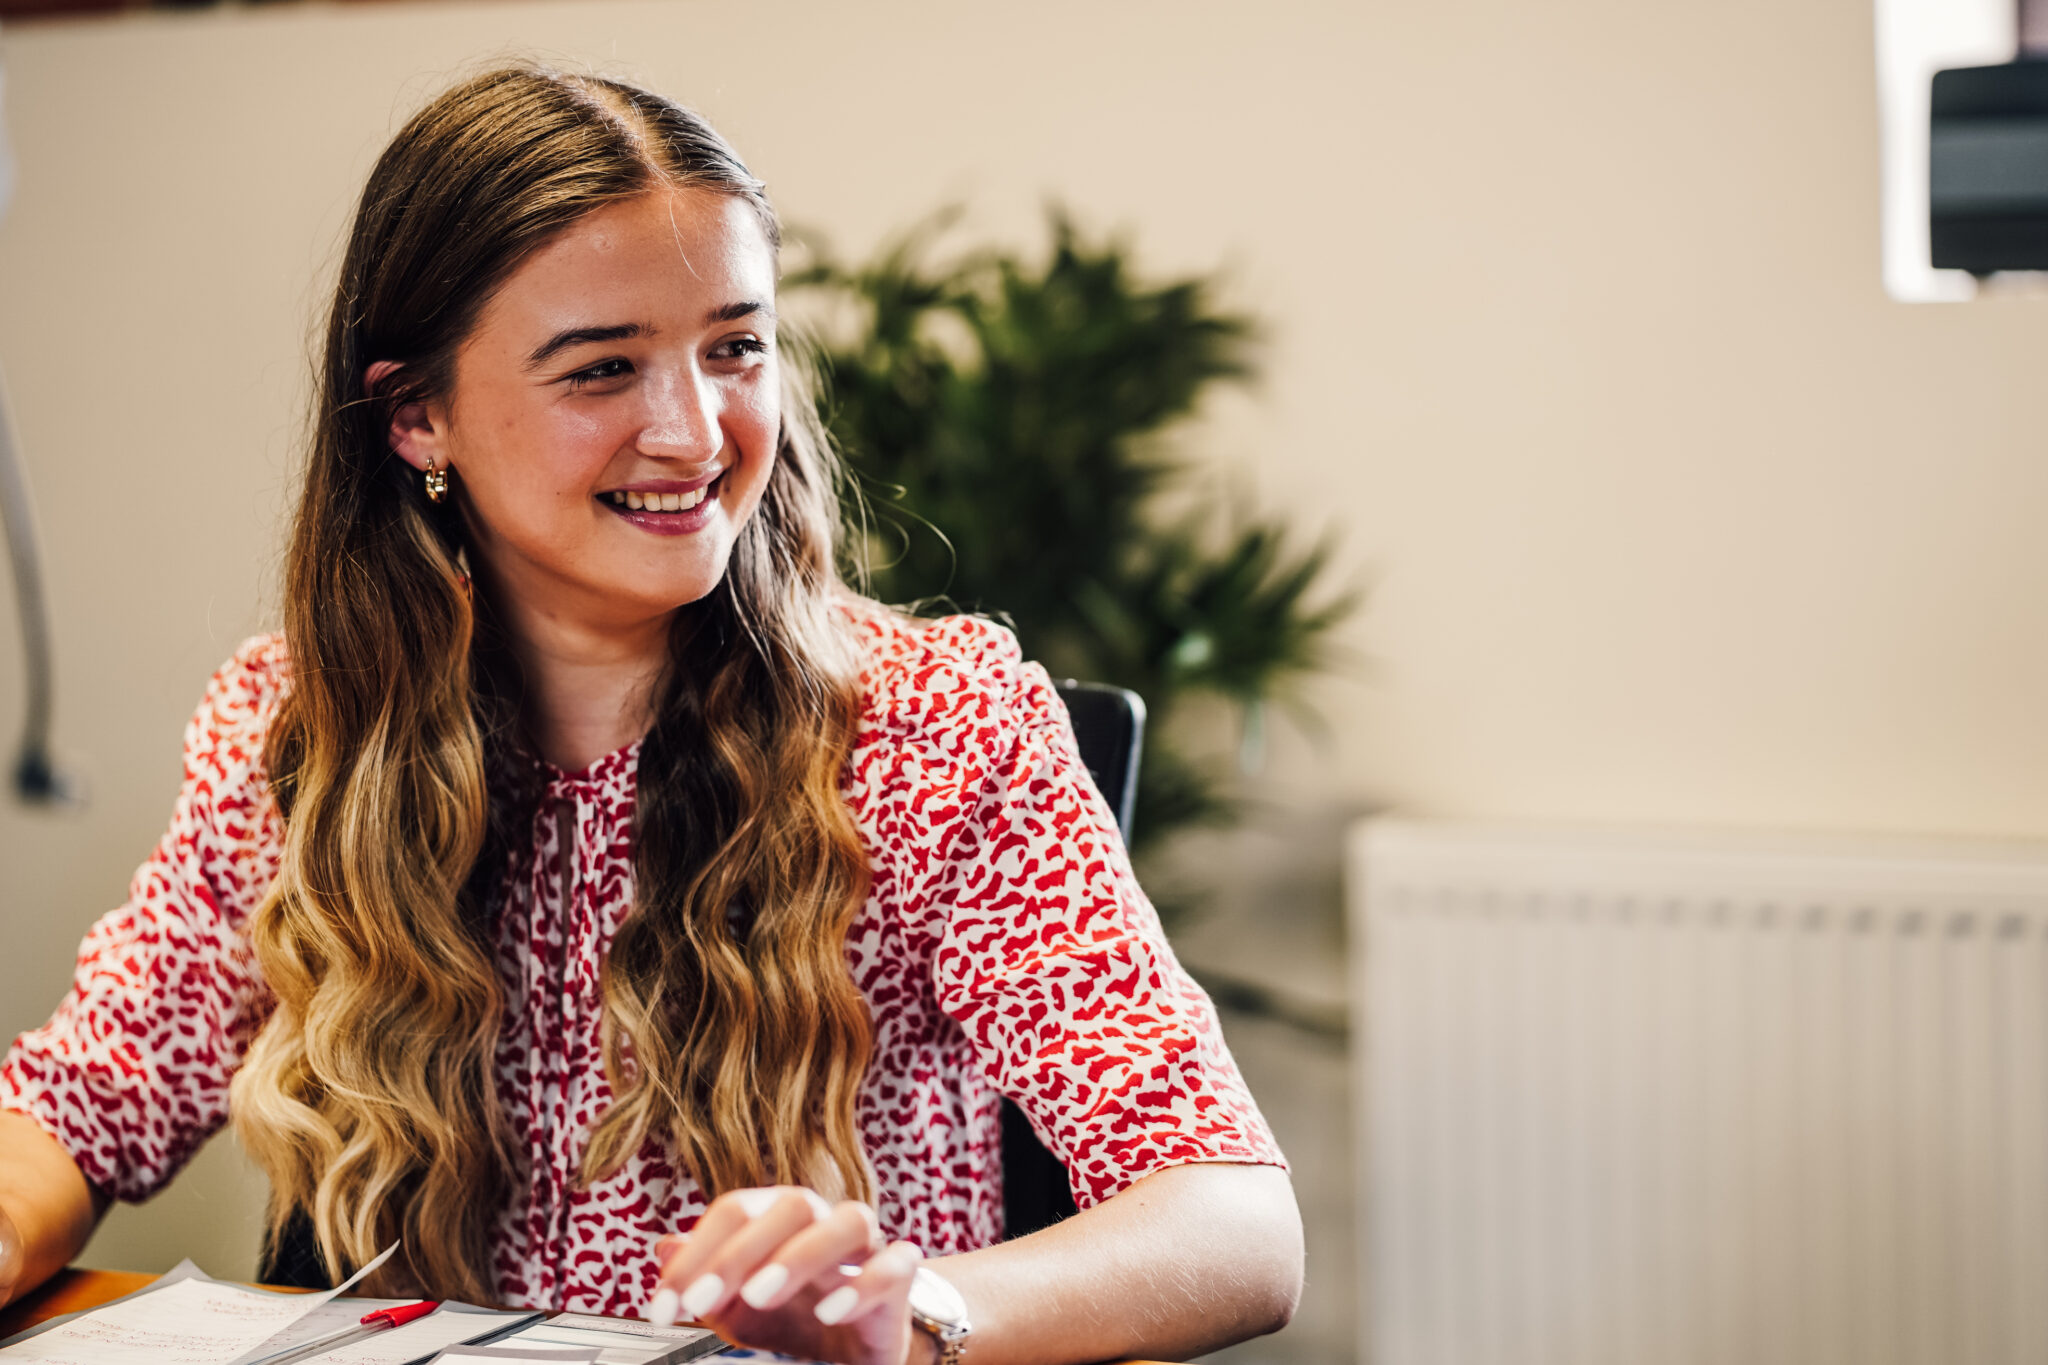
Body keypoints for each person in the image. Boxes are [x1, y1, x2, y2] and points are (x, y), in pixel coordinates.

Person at [0, 65, 1302, 1365]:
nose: (691, 430)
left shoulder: (937, 729)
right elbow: (76, 1107)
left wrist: (915, 1312)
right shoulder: (297, 731)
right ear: (417, 417)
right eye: (602, 369)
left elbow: (1235, 1219)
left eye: (734, 346)